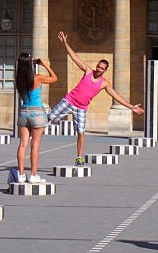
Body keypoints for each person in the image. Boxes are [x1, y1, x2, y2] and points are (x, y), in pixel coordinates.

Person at [50, 31, 144, 166]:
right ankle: (31, 136)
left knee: (81, 133)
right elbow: (75, 58)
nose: (98, 69)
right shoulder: (88, 71)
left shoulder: (104, 83)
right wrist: (65, 43)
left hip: (81, 108)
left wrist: (131, 107)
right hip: (69, 101)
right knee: (49, 117)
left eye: (101, 68)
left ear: (105, 70)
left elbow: (116, 96)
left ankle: (79, 157)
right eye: (98, 66)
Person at [14, 52, 57, 184]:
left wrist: (27, 61)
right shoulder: (37, 78)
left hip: (23, 112)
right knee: (35, 146)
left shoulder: (18, 80)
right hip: (37, 112)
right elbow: (54, 78)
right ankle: (33, 175)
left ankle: (21, 174)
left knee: (22, 144)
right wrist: (44, 64)